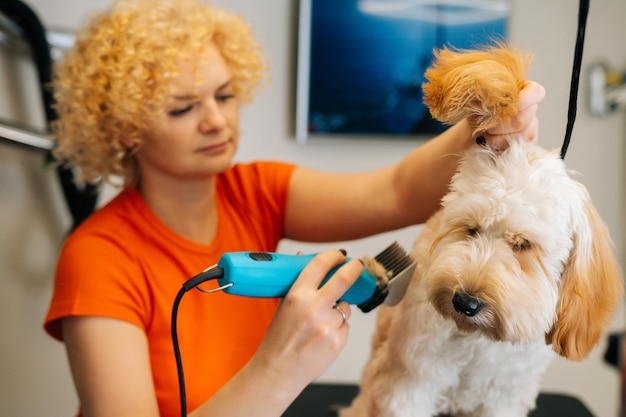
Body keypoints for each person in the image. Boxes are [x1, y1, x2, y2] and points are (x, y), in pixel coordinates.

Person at [43, 0, 545, 416]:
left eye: (225, 95)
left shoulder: (254, 191)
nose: (216, 121)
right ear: (126, 127)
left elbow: (397, 191)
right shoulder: (97, 258)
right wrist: (278, 369)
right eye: (183, 107)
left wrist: (484, 129)